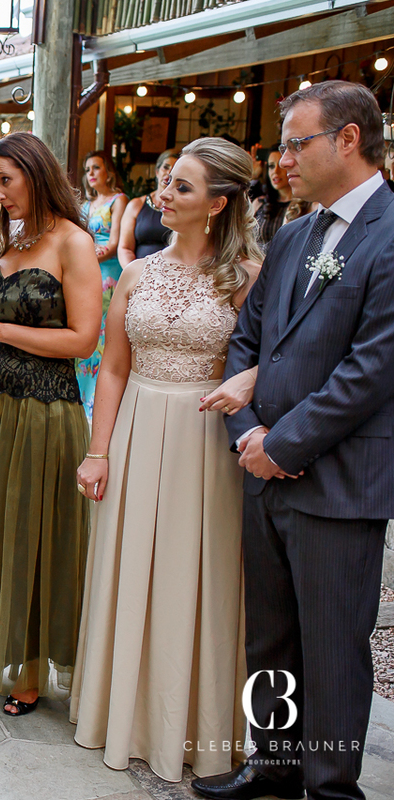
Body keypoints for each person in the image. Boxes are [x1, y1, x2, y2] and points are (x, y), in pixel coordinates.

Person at [193, 81, 394, 800]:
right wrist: (247, 433)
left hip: (337, 480)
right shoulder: (295, 234)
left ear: (347, 139)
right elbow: (249, 342)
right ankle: (272, 765)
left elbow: (372, 369)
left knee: (335, 650)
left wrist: (284, 443)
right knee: (269, 637)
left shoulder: (391, 233)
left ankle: (331, 788)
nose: (282, 160)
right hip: (261, 469)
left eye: (294, 143)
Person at [69, 138, 263, 782]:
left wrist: (253, 381)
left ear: (217, 203)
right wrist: (99, 452)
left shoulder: (248, 277)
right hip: (137, 430)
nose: (163, 195)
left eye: (181, 186)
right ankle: (120, 710)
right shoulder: (137, 273)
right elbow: (115, 368)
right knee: (131, 568)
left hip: (207, 442)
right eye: (165, 182)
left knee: (197, 574)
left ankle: (199, 725)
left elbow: (281, 358)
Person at [0, 132, 102, 717]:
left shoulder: (73, 242)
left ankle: (30, 666)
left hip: (43, 408)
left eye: (6, 180)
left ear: (35, 173)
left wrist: (2, 331)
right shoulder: (3, 232)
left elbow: (83, 340)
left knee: (33, 532)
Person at [77, 151, 127, 416]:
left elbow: (115, 242)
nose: (91, 174)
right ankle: (81, 395)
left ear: (108, 170)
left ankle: (99, 399)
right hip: (86, 269)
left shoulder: (119, 200)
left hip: (108, 272)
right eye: (87, 169)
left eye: (96, 167)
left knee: (104, 332)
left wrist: (87, 253)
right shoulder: (86, 205)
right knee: (85, 327)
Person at [117, 149, 176, 265]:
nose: (169, 172)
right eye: (165, 167)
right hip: (139, 273)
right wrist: (135, 276)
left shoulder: (183, 208)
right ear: (157, 172)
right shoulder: (136, 205)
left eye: (174, 169)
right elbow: (125, 248)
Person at [251, 145, 296, 246]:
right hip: (257, 260)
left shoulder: (305, 205)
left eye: (281, 166)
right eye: (271, 166)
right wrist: (254, 176)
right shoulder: (259, 203)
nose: (275, 171)